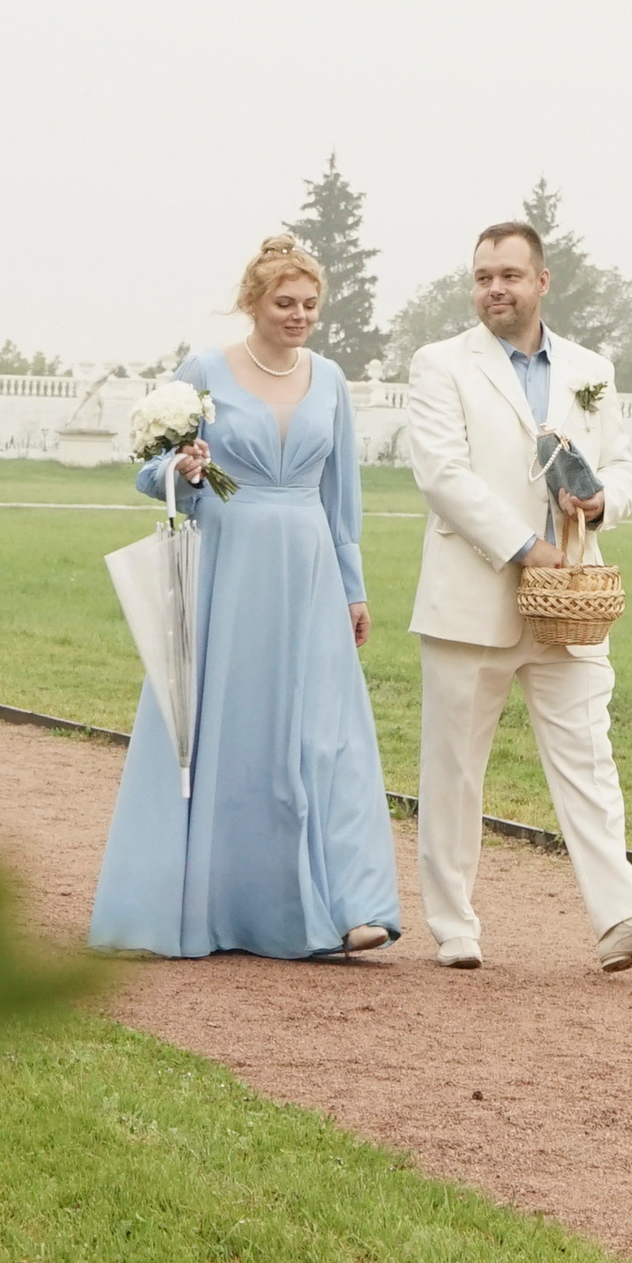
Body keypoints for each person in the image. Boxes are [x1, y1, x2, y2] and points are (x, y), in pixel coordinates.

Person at [88, 232, 402, 960]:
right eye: (284, 303)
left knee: (326, 735)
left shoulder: (329, 379)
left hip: (313, 571)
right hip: (229, 569)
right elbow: (147, 472)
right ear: (252, 304)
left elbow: (340, 495)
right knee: (228, 727)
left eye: (309, 305)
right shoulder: (203, 371)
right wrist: (187, 468)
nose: (298, 316)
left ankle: (349, 903)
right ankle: (214, 903)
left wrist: (354, 589)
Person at [405, 219, 632, 973]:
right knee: (454, 771)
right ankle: (454, 926)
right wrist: (522, 547)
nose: (494, 289)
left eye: (508, 275)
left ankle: (623, 920)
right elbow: (443, 474)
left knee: (589, 764)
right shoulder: (441, 366)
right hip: (473, 596)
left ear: (543, 282)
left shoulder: (590, 368)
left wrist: (602, 506)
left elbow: (622, 465)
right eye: (482, 278)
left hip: (571, 600)